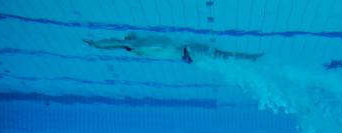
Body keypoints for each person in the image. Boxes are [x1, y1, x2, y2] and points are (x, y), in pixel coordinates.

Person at [83, 32, 263, 63]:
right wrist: (98, 45)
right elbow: (115, 43)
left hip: (185, 55)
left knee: (222, 57)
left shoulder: (140, 47)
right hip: (188, 51)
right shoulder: (133, 44)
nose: (130, 36)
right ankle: (251, 58)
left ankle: (251, 58)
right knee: (222, 56)